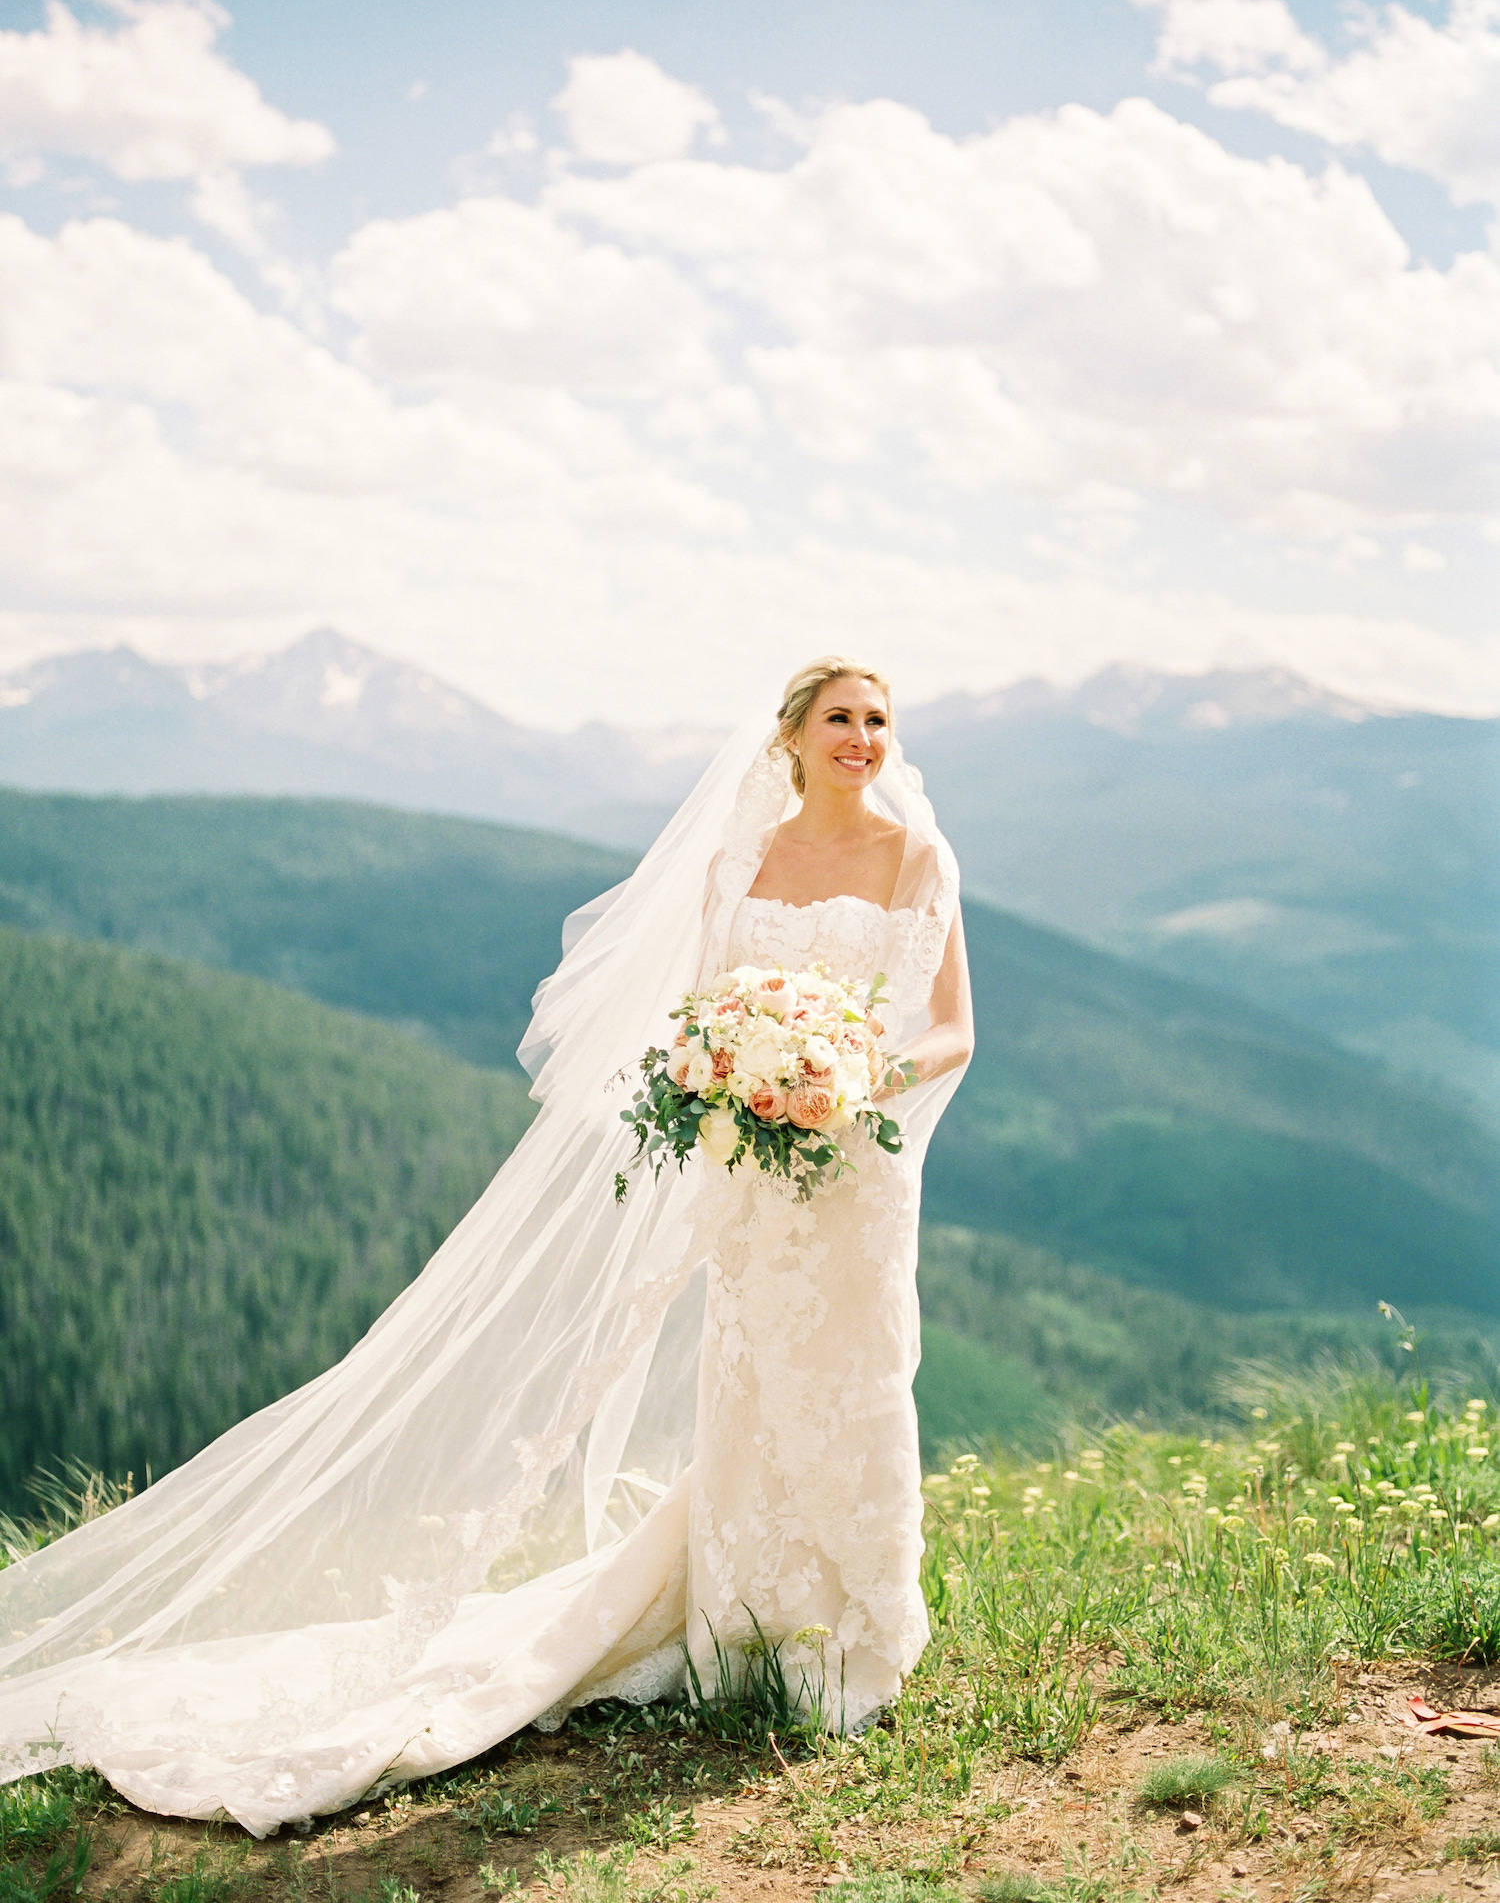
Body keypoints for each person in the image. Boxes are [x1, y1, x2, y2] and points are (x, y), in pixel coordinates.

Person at [0, 657, 972, 1837]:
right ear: (794, 737)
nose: (863, 738)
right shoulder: (742, 862)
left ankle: (866, 1622)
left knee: (860, 1381)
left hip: (858, 1177)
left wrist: (855, 1072)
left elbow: (953, 1032)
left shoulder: (919, 857)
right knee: (759, 1382)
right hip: (758, 1175)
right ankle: (752, 1630)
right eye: (841, 719)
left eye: (878, 719)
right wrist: (746, 1075)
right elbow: (701, 1018)